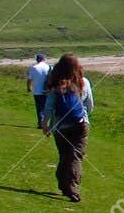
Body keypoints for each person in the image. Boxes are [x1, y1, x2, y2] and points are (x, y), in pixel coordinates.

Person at [42, 53, 93, 203]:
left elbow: (49, 107)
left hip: (60, 126)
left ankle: (65, 185)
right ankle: (72, 189)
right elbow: (90, 105)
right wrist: (85, 116)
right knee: (75, 156)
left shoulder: (56, 84)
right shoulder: (84, 82)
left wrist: (45, 124)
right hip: (81, 124)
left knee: (65, 156)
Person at [26, 52, 51, 130]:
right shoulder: (49, 67)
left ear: (37, 59)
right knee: (47, 107)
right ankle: (47, 122)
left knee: (39, 107)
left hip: (37, 90)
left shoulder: (34, 68)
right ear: (44, 59)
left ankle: (41, 123)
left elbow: (29, 79)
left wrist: (29, 87)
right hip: (47, 90)